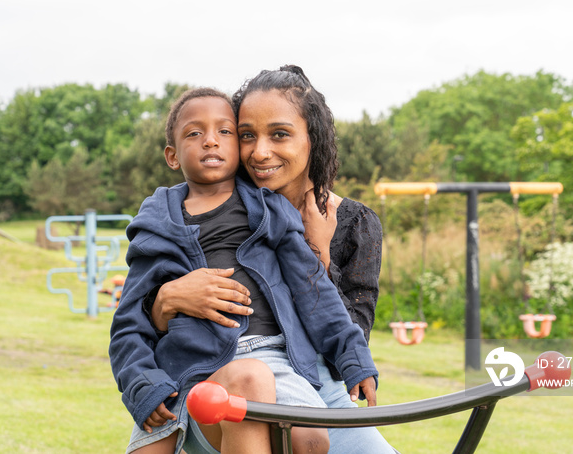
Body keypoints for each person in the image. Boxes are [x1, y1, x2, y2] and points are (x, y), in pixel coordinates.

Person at [109, 87, 379, 454]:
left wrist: (354, 358)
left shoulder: (269, 212)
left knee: (310, 439)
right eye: (194, 133)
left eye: (225, 132)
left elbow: (314, 289)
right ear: (172, 156)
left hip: (271, 353)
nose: (210, 142)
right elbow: (128, 325)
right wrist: (143, 384)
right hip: (185, 365)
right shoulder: (155, 226)